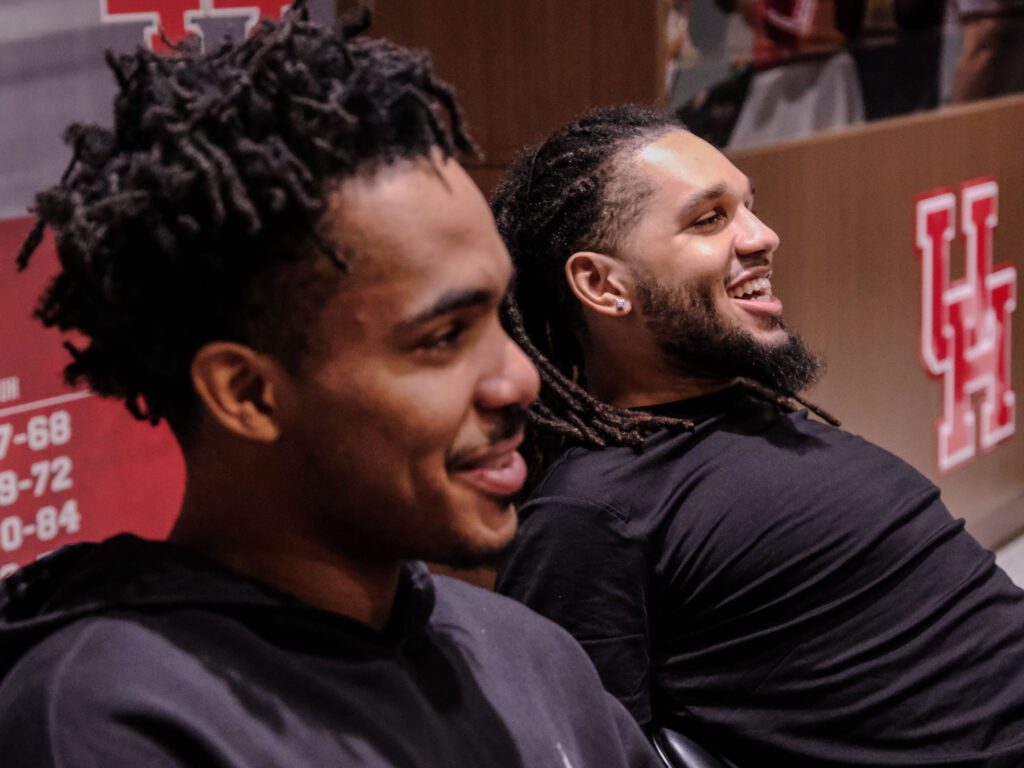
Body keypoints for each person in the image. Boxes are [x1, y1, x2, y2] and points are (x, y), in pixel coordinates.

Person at [0, 9, 664, 768]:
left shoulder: (527, 655)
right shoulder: (106, 722)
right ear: (247, 393)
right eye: (443, 339)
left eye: (498, 319)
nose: (517, 380)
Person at [492, 104, 1024, 767]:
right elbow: (572, 746)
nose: (763, 236)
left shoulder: (749, 416)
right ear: (603, 285)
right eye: (709, 219)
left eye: (750, 207)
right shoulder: (596, 513)